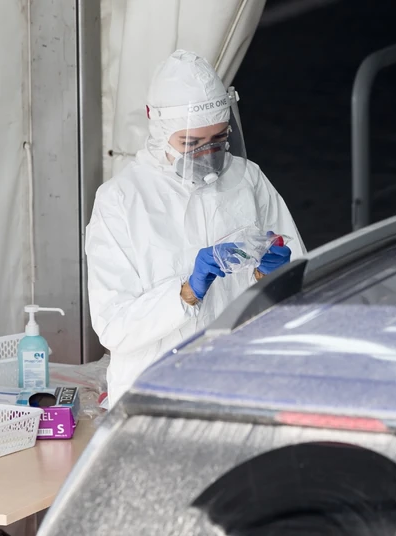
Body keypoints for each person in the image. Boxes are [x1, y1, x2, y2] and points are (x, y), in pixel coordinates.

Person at [86, 50, 306, 407]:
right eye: (191, 143)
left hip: (242, 384)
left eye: (218, 140)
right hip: (157, 395)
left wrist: (275, 277)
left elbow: (300, 282)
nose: (208, 154)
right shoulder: (122, 201)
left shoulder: (247, 179)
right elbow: (113, 326)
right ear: (157, 127)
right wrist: (186, 291)